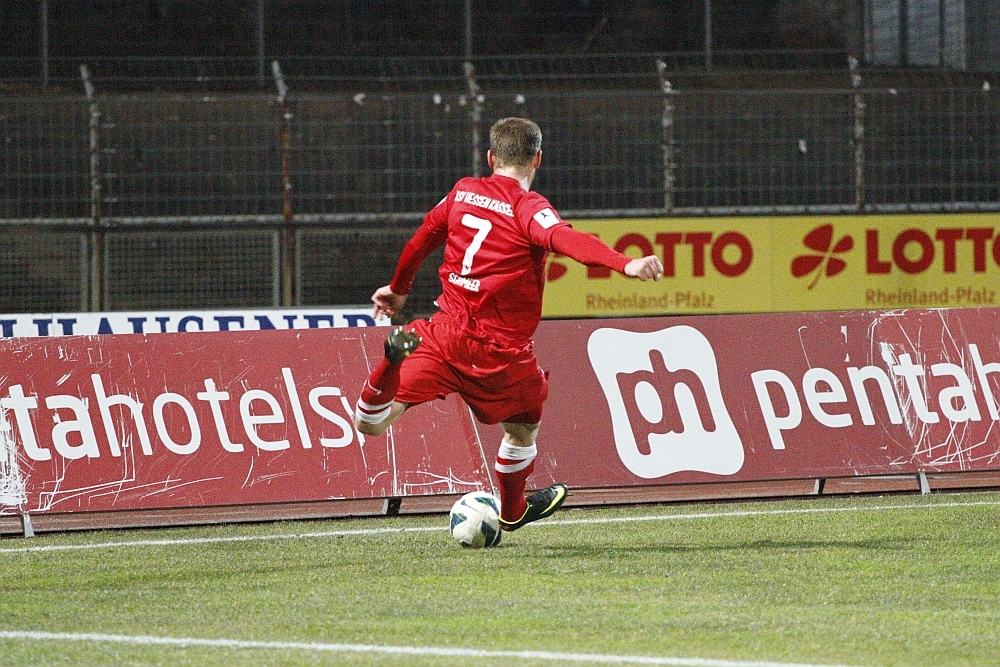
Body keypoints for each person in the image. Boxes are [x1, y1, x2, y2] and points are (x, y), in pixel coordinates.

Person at [354, 117, 664, 532]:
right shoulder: (527, 207)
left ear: (490, 157)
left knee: (371, 424)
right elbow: (568, 240)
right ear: (537, 159)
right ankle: (513, 509)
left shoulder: (463, 191)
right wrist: (625, 263)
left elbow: (422, 238)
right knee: (522, 429)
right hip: (499, 354)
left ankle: (391, 362)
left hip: (443, 335)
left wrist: (398, 289)